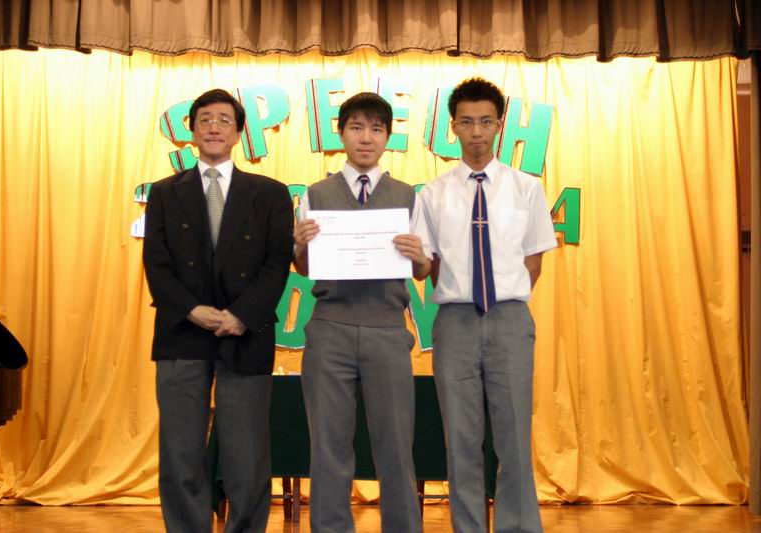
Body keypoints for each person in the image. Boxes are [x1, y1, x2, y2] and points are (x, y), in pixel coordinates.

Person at [143, 88, 294, 533]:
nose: (214, 127)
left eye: (224, 120)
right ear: (191, 130)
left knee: (246, 454)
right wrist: (193, 310)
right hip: (182, 332)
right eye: (205, 119)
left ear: (240, 132)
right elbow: (157, 265)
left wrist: (241, 315)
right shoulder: (165, 193)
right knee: (180, 451)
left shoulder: (269, 193)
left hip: (245, 333)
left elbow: (276, 263)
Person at [414, 77, 557, 533]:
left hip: (510, 319)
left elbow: (533, 260)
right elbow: (425, 265)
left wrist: (502, 297)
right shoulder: (432, 194)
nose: (476, 131)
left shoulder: (526, 188)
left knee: (513, 436)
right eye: (466, 122)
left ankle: (519, 526)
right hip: (454, 321)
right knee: (461, 438)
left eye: (485, 121)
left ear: (499, 125)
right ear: (453, 127)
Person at [293, 92, 431, 533]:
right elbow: (304, 267)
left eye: (375, 128)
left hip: (387, 330)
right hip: (329, 328)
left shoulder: (408, 196)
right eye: (356, 127)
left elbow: (423, 270)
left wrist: (419, 257)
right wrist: (300, 246)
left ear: (388, 137)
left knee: (396, 446)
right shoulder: (315, 194)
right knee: (328, 447)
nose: (366, 138)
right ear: (341, 135)